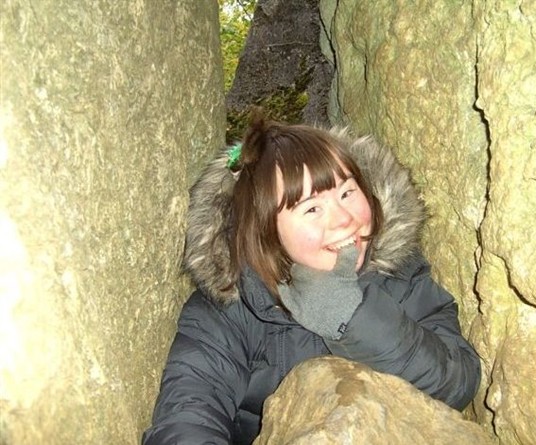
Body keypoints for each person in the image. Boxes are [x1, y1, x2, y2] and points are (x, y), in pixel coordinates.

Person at [142, 115, 481, 445]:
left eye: (347, 193)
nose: (345, 220)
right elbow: (187, 416)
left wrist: (353, 317)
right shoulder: (228, 310)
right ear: (264, 231)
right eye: (312, 209)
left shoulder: (398, 275)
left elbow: (459, 382)